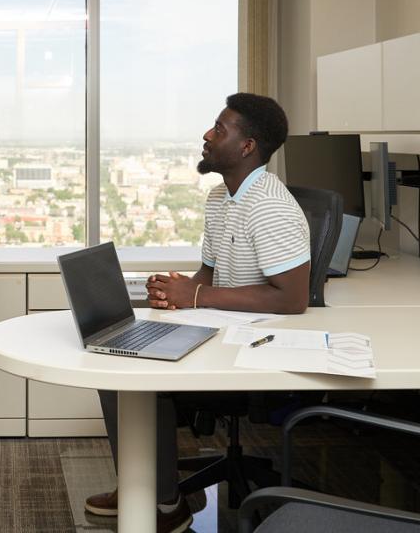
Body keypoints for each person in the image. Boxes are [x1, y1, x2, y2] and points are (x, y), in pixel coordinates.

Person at [86, 93, 311, 532]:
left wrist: (196, 296)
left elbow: (292, 299)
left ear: (247, 147)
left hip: (256, 349)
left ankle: (165, 503)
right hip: (223, 330)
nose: (207, 136)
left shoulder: (269, 205)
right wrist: (176, 292)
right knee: (112, 362)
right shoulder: (220, 198)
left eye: (219, 129)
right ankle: (143, 485)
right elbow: (208, 274)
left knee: (133, 378)